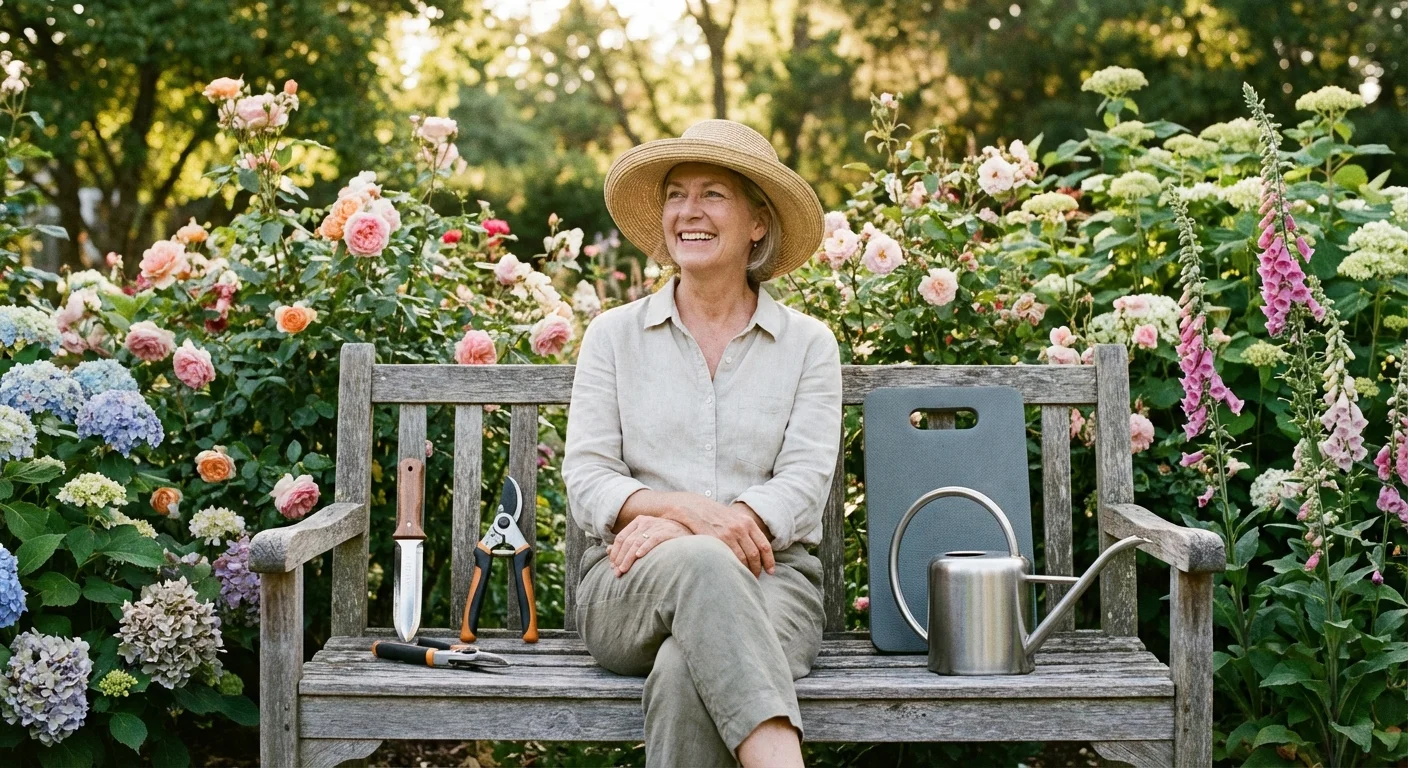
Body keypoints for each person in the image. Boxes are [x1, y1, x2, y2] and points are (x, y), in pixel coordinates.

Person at [562, 119, 843, 768]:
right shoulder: (612, 337)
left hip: (774, 579)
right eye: (675, 195)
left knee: (688, 668)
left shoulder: (808, 346)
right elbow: (588, 474)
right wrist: (687, 513)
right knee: (705, 567)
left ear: (758, 222)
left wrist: (694, 527)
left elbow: (803, 483)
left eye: (713, 193)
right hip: (627, 581)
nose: (688, 211)